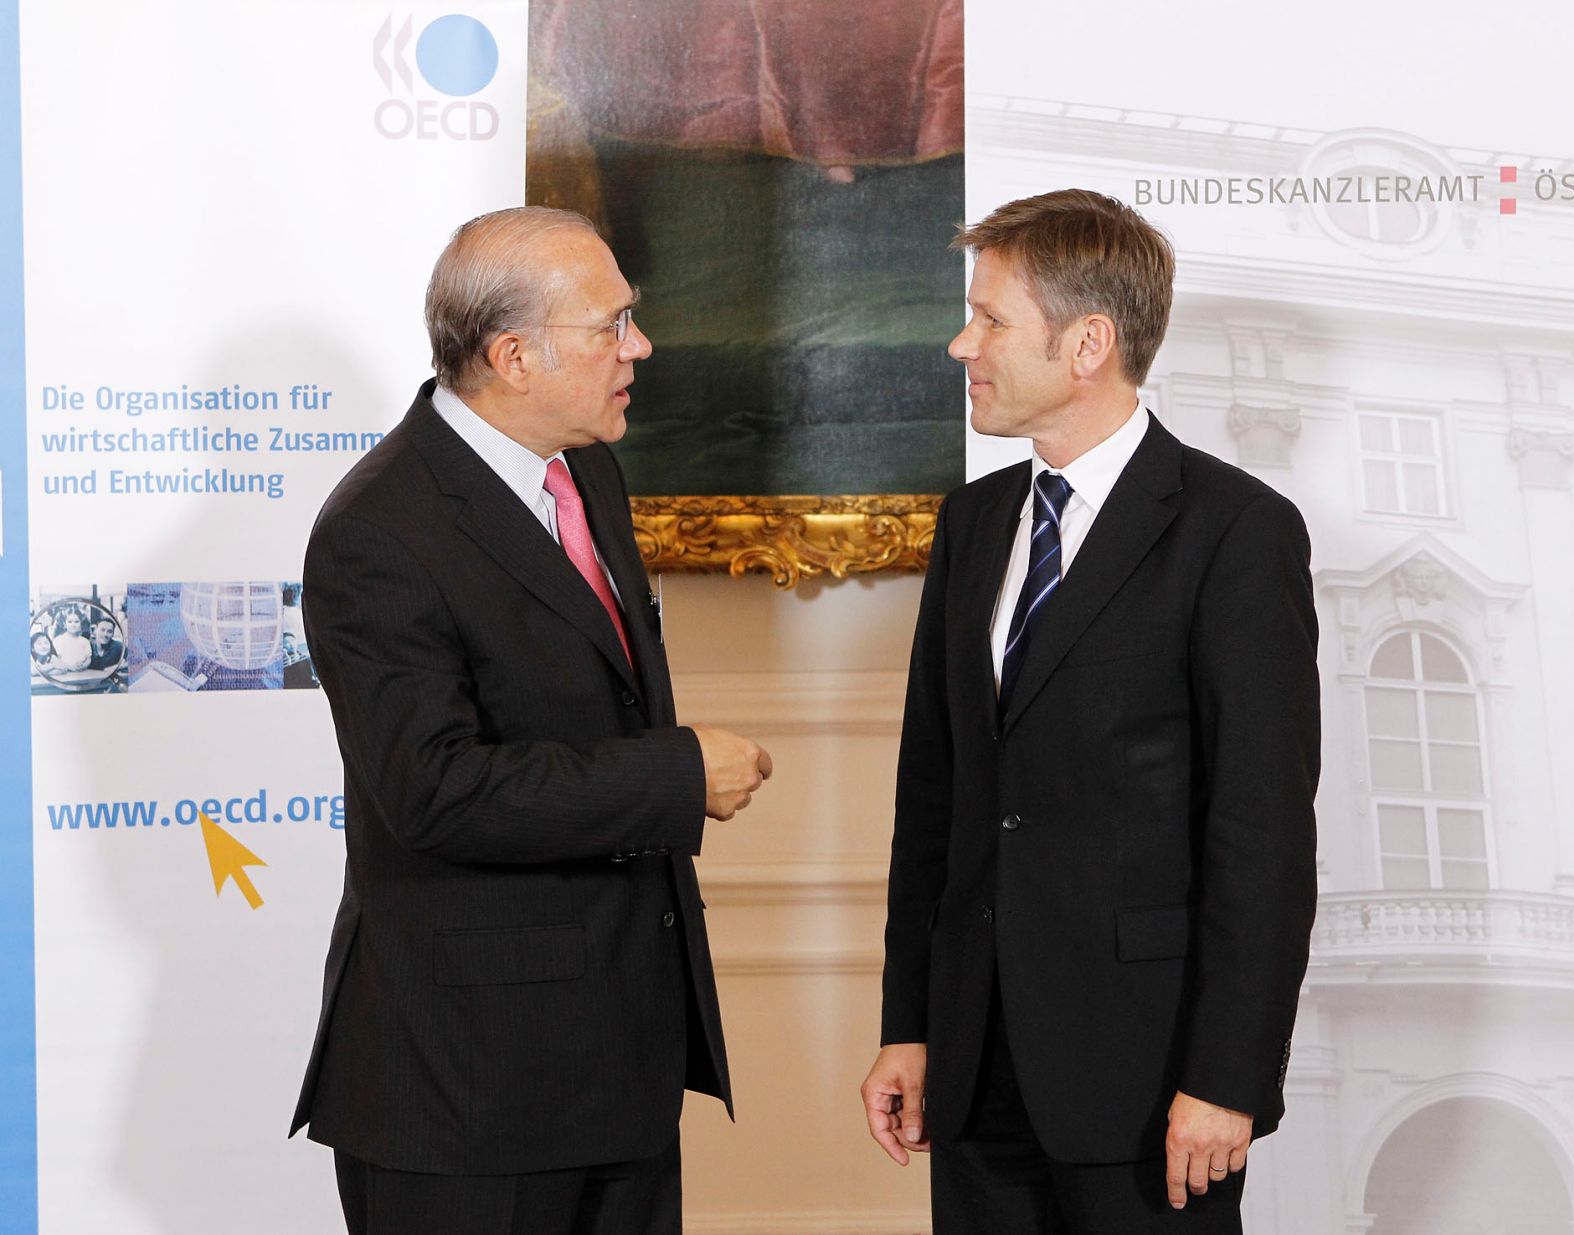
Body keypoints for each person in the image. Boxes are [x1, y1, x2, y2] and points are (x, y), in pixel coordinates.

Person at [289, 205, 773, 1235]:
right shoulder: (378, 528)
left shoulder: (584, 468)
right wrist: (675, 778)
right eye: (612, 325)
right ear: (512, 354)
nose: (638, 347)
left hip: (618, 1074)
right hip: (463, 1094)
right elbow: (435, 788)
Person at [860, 189, 1320, 1233]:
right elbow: (932, 799)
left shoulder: (1235, 533)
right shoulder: (972, 524)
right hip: (974, 1073)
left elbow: (1262, 834)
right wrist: (911, 1024)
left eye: (988, 320)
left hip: (1150, 1080)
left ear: (1086, 344)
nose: (959, 342)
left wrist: (1227, 1074)